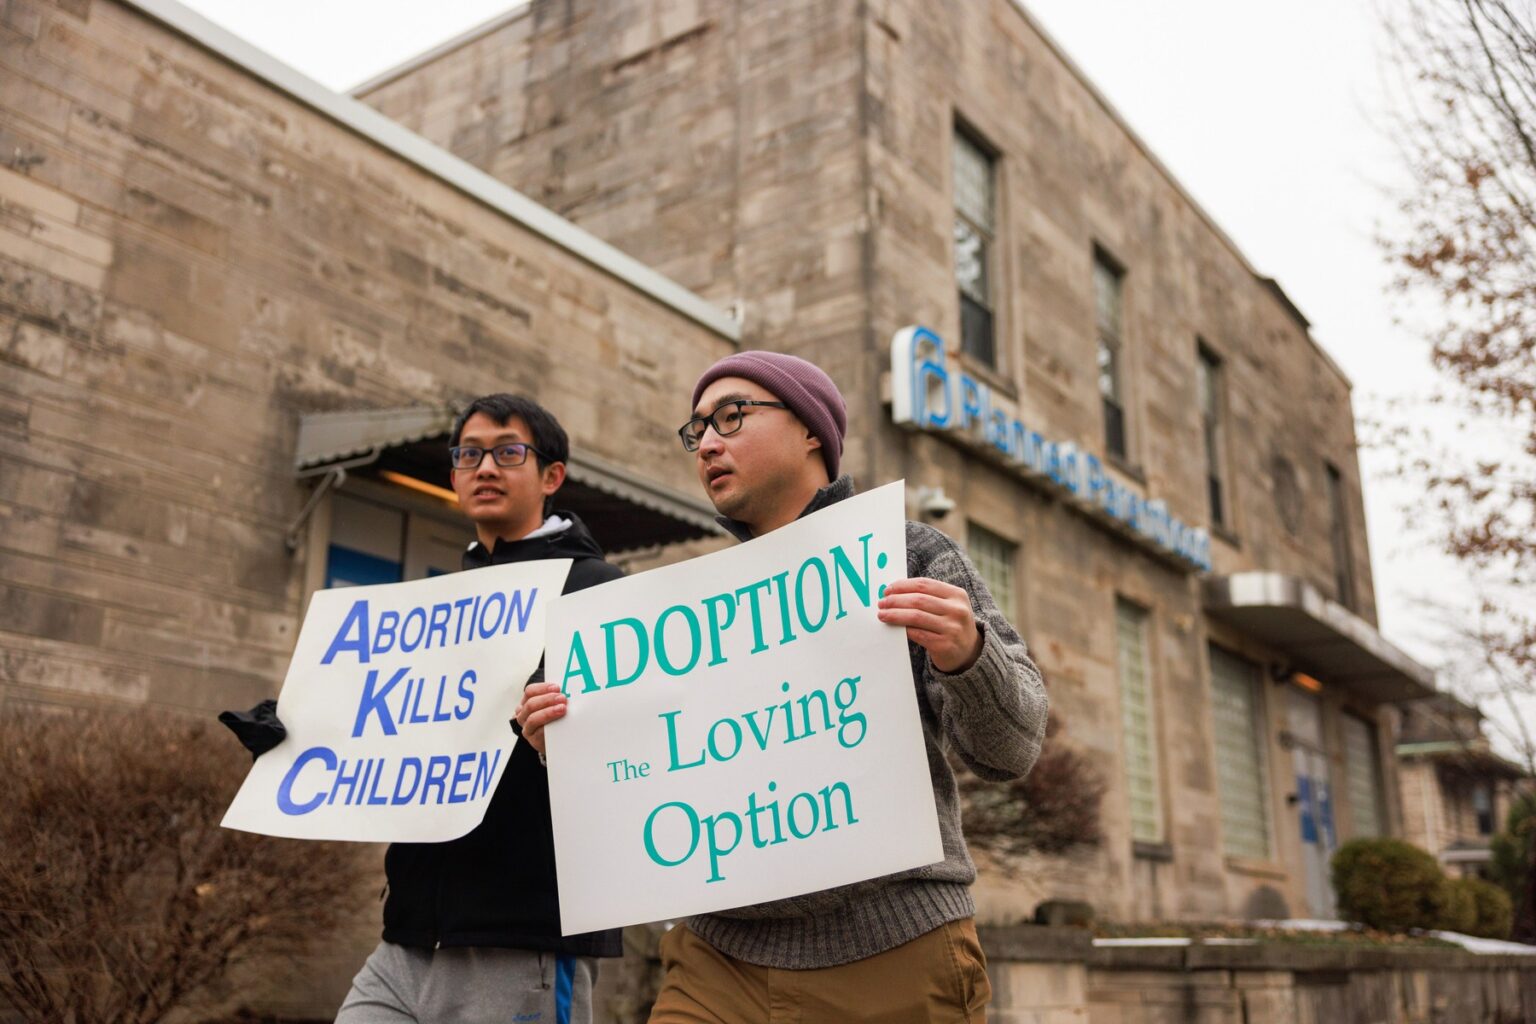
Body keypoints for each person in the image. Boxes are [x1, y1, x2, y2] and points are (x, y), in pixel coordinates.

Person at [516, 352, 1050, 1023]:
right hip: (716, 961)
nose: (707, 443)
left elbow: (1012, 751)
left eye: (731, 416)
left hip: (894, 951)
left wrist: (969, 654)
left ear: (809, 431)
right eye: (697, 430)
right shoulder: (685, 612)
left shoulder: (908, 556)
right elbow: (666, 771)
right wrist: (569, 747)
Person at [221, 394, 623, 1024]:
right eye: (468, 454)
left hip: (522, 941)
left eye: (507, 452)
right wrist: (295, 733)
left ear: (552, 476)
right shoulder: (437, 605)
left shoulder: (598, 590)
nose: (484, 467)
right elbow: (392, 733)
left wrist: (560, 742)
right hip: (406, 937)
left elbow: (630, 753)